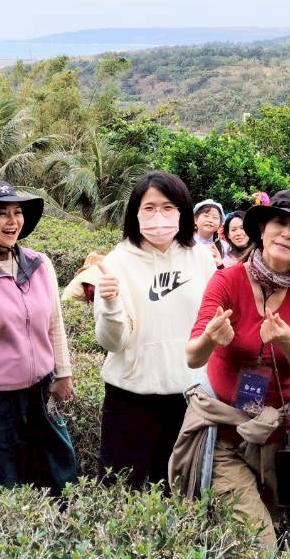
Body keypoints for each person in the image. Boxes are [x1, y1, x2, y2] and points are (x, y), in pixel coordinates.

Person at [174, 189, 290, 553]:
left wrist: (286, 342)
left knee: (272, 525)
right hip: (224, 435)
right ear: (262, 230)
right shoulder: (227, 280)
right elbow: (193, 357)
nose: (287, 233)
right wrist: (212, 339)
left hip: (277, 436)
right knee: (259, 542)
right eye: (280, 222)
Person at [0, 182, 77, 497]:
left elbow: (54, 321)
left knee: (55, 474)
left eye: (18, 212)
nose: (13, 221)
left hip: (37, 392)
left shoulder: (38, 263)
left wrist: (62, 372)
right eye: (2, 214)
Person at [96, 171, 216, 489]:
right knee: (122, 493)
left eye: (167, 207)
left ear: (182, 211)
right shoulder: (117, 262)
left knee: (178, 492)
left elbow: (212, 322)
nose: (158, 217)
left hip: (188, 397)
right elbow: (112, 341)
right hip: (130, 400)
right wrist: (108, 303)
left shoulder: (201, 258)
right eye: (148, 208)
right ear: (135, 214)